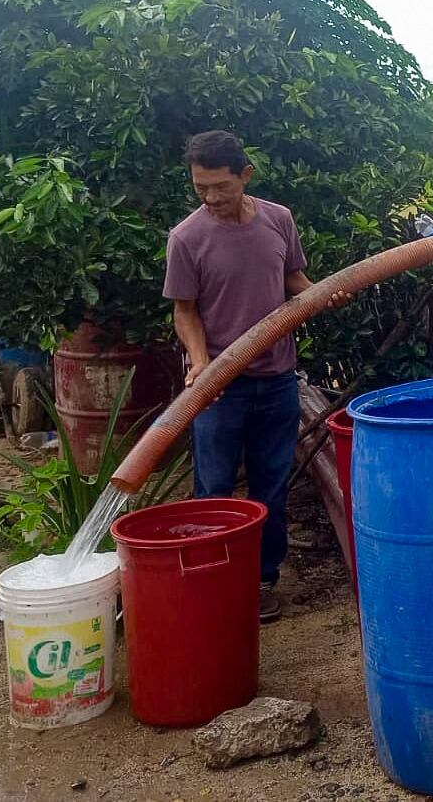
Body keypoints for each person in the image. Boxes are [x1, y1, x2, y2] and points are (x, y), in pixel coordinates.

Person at [163, 131, 342, 623]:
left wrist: (325, 293)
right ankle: (211, 578)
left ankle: (263, 579)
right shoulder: (187, 237)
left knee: (271, 486)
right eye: (200, 187)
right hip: (219, 386)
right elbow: (185, 312)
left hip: (277, 378)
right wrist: (200, 362)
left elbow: (294, 283)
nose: (210, 198)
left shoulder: (278, 220)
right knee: (215, 488)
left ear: (245, 175)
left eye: (220, 186)